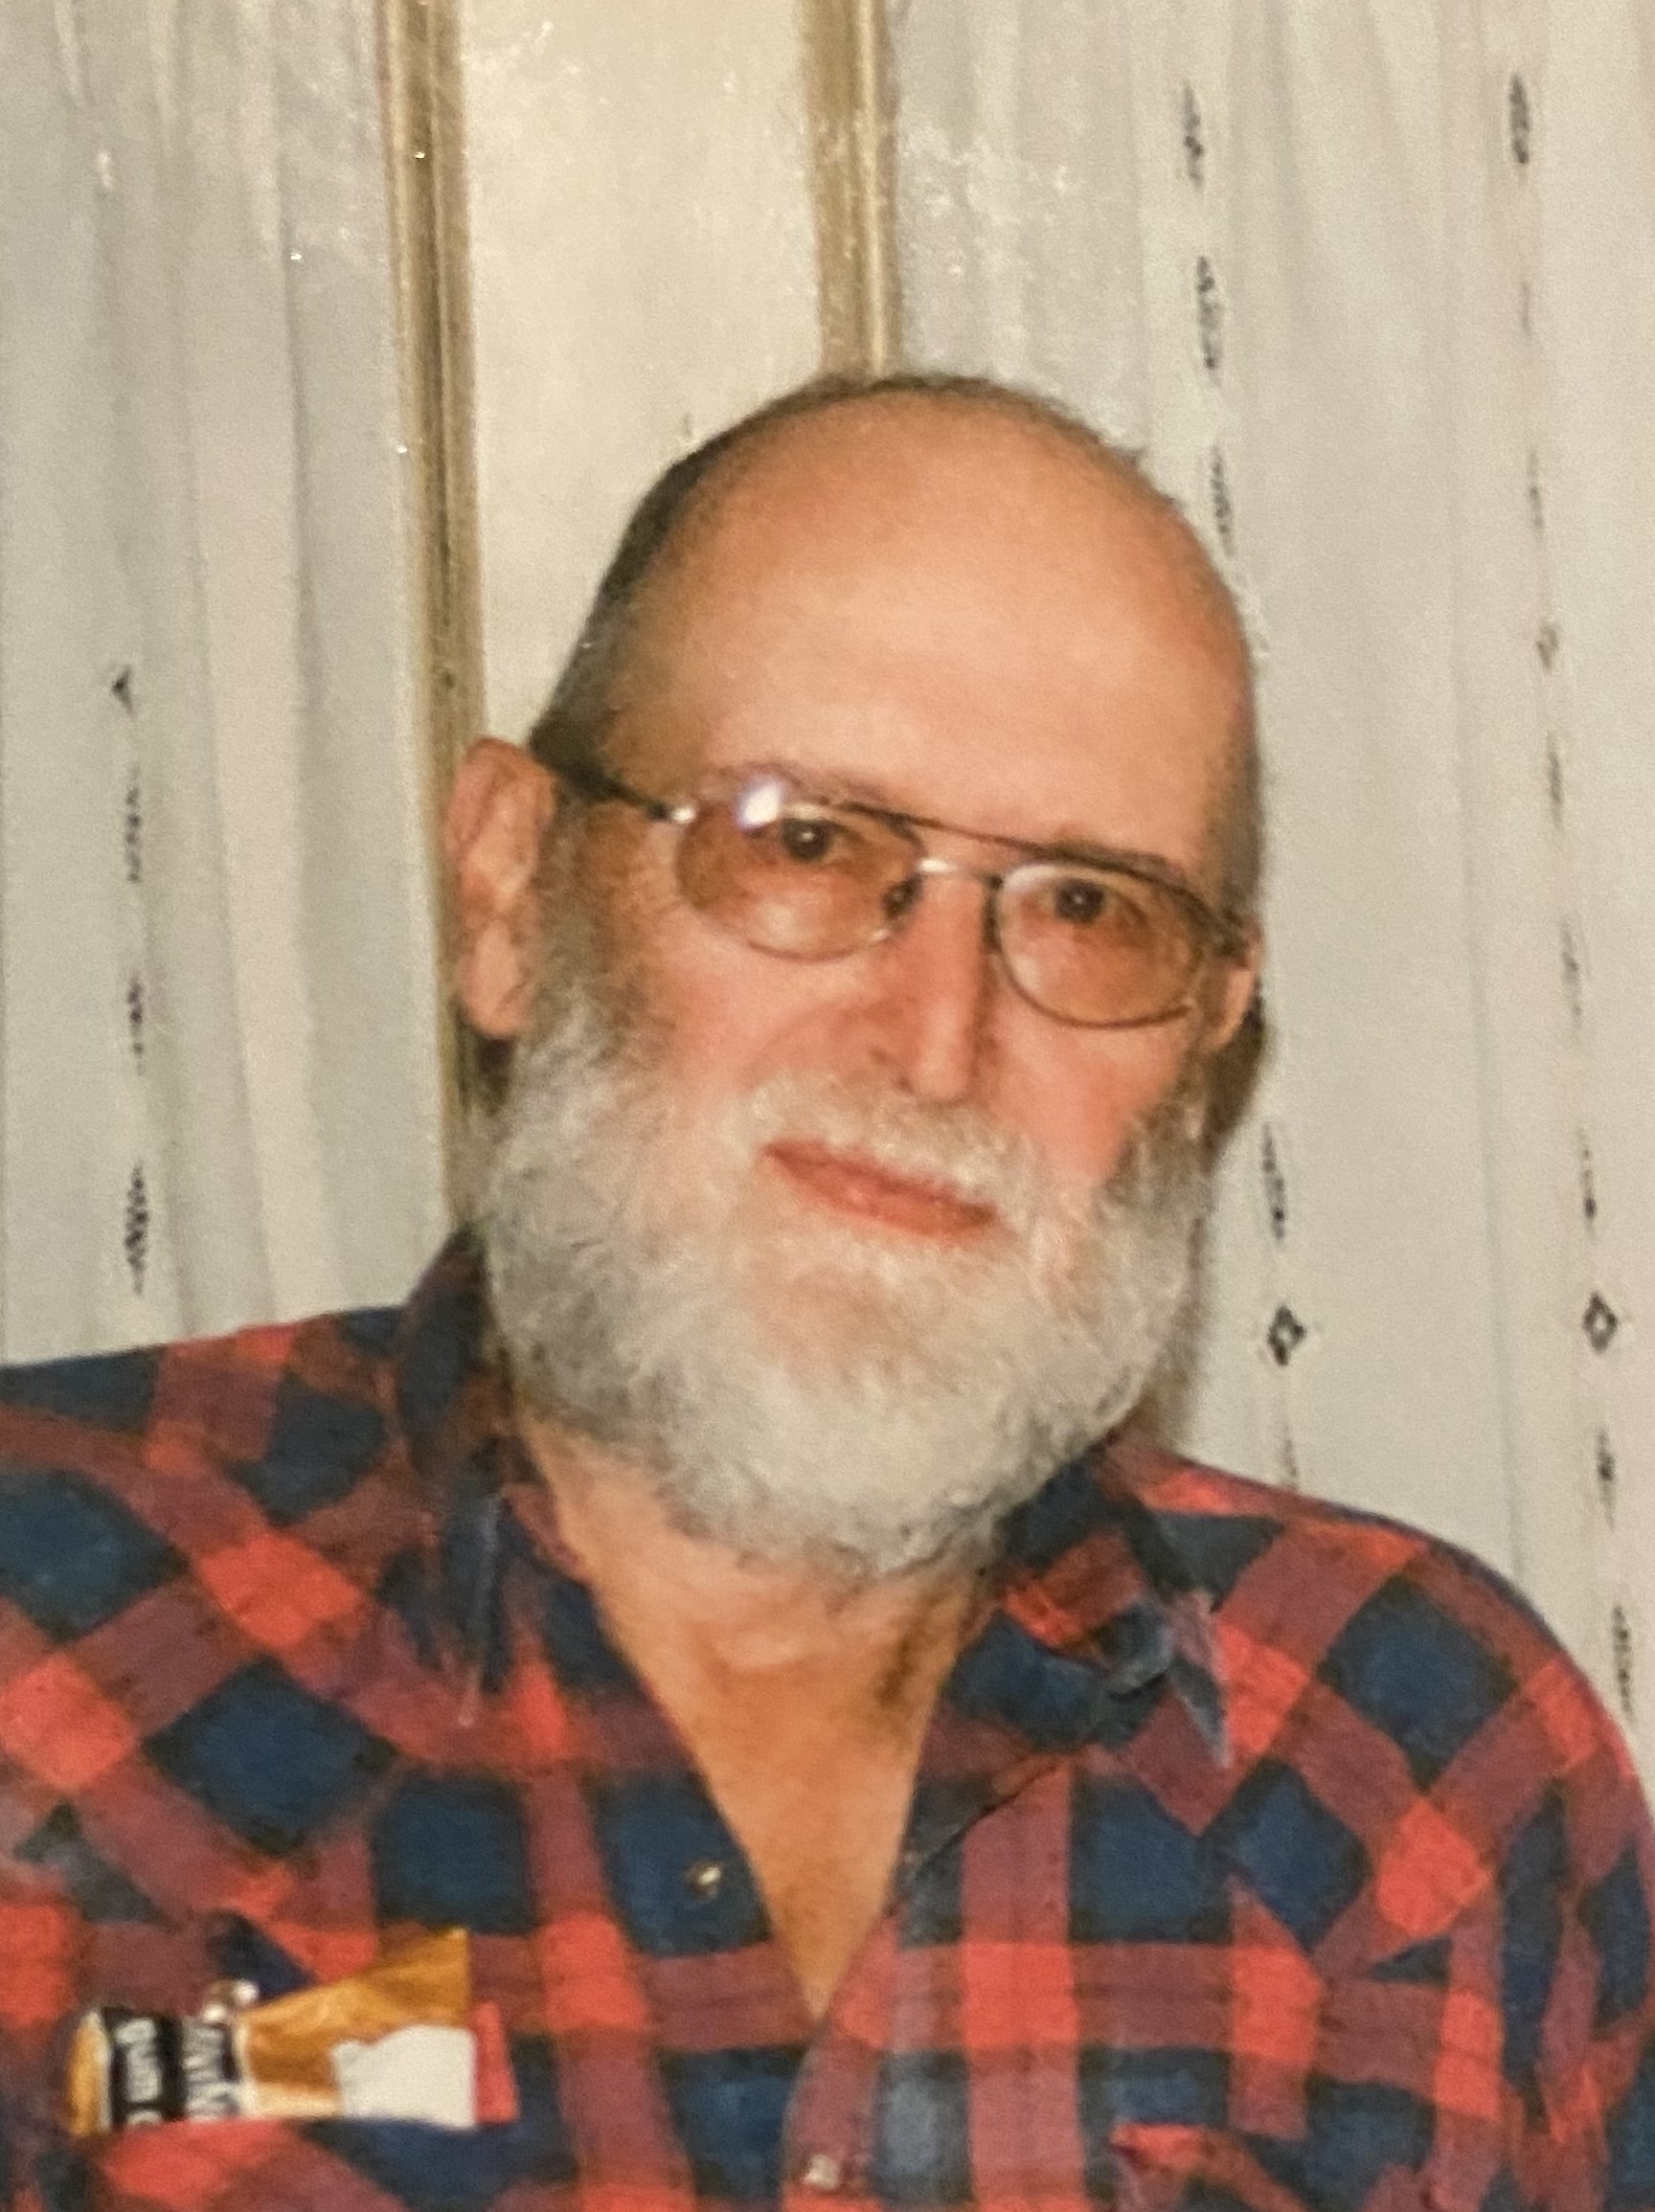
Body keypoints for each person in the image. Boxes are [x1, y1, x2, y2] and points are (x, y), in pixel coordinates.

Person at [0, 373, 1649, 2212]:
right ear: (512, 890)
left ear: (1207, 1033)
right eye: (803, 843)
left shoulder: (1415, 1778)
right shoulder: (53, 1652)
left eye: (1088, 908)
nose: (937, 1042)